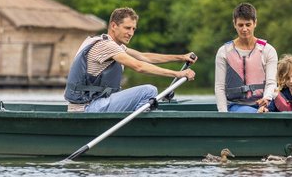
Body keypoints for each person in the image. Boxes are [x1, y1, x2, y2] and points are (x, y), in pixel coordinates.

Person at [64, 7, 196, 113]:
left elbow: (144, 57)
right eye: (127, 28)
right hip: (87, 109)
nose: (131, 33)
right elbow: (139, 66)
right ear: (114, 26)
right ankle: (145, 121)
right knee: (149, 91)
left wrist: (181, 57)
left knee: (147, 96)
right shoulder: (105, 46)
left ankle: (144, 114)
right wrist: (178, 74)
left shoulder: (115, 46)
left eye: (133, 29)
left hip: (94, 105)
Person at [214, 3, 278, 113]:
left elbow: (271, 83)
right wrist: (223, 115)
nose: (244, 29)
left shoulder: (268, 50)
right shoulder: (223, 52)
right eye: (240, 25)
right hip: (237, 106)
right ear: (234, 24)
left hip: (266, 105)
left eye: (248, 25)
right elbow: (219, 87)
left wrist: (267, 98)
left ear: (255, 23)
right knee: (250, 112)